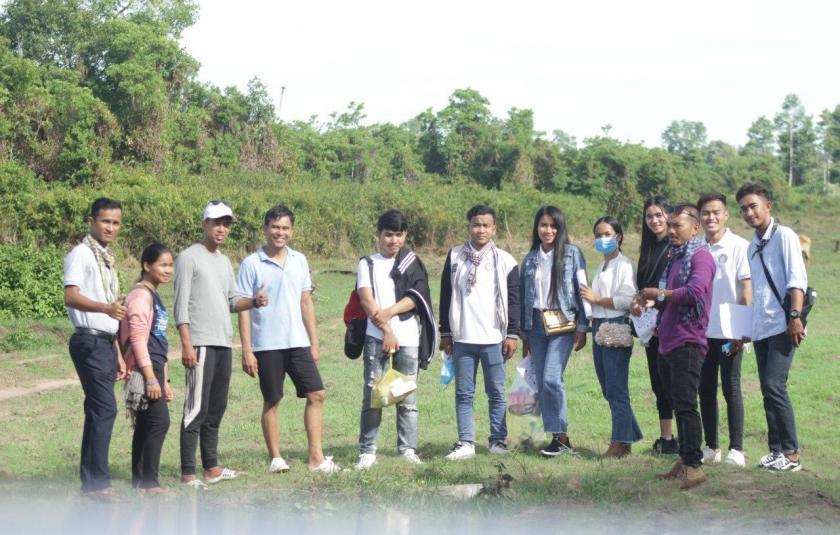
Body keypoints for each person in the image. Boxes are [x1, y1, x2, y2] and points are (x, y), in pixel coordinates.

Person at [238, 205, 341, 474]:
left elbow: (306, 302)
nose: (279, 233)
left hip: (297, 342)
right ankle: (276, 458)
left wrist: (314, 342)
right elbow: (243, 308)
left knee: (316, 393)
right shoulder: (251, 264)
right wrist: (246, 350)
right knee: (272, 399)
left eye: (285, 228)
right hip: (266, 344)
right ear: (265, 229)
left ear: (291, 231)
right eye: (275, 227)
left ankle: (315, 458)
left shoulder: (299, 260)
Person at [174, 201, 268, 488]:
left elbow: (232, 301)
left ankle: (211, 468)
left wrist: (253, 301)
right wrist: (187, 345)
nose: (222, 229)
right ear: (204, 224)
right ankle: (189, 472)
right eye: (217, 223)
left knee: (216, 408)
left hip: (223, 343)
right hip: (200, 342)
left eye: (226, 224)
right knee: (195, 409)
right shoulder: (189, 257)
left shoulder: (225, 261)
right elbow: (180, 306)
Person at [634, 203, 715, 490]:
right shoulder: (675, 257)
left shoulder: (702, 256)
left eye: (676, 225)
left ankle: (694, 466)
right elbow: (669, 296)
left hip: (688, 340)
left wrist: (662, 293)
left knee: (685, 404)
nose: (670, 231)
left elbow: (694, 292)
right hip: (667, 340)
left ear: (695, 228)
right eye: (669, 226)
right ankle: (684, 458)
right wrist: (651, 300)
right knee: (677, 403)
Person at [354, 210, 437, 469]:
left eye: (399, 235)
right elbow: (367, 300)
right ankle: (367, 451)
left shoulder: (411, 262)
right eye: (388, 235)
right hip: (375, 337)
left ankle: (408, 449)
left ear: (405, 235)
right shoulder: (367, 263)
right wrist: (387, 331)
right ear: (378, 234)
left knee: (407, 397)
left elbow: (416, 297)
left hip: (409, 338)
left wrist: (389, 313)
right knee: (374, 394)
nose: (393, 241)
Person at [736, 182, 808, 472]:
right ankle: (776, 450)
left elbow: (797, 279)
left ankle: (791, 454)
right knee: (768, 389)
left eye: (753, 206)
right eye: (743, 208)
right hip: (762, 325)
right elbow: (757, 289)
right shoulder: (753, 244)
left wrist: (795, 316)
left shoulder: (785, 236)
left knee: (775, 385)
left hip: (783, 323)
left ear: (768, 206)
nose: (749, 212)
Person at [440, 205, 520, 460]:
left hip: (494, 339)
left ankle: (497, 440)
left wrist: (512, 334)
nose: (481, 229)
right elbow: (445, 296)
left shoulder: (506, 260)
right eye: (476, 224)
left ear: (494, 229)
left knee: (496, 393)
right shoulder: (454, 257)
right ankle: (466, 442)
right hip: (463, 338)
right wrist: (446, 333)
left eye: (486, 225)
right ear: (469, 227)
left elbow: (515, 300)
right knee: (464, 393)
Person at [63, 197, 127, 497]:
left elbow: (112, 310)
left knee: (97, 409)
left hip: (103, 341)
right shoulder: (81, 254)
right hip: (88, 339)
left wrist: (117, 352)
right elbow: (71, 296)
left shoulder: (105, 259)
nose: (110, 227)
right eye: (105, 221)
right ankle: (97, 482)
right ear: (91, 221)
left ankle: (91, 480)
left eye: (115, 223)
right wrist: (104, 308)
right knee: (105, 409)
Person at [519, 206, 587, 456]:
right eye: (543, 225)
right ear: (536, 228)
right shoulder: (529, 259)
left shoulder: (572, 254)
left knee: (551, 379)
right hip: (536, 325)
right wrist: (524, 335)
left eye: (553, 225)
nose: (548, 230)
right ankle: (557, 438)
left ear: (560, 228)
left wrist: (582, 326)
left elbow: (582, 290)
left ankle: (562, 438)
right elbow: (525, 296)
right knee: (542, 383)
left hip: (564, 323)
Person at [580, 216, 643, 458]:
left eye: (606, 234)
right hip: (599, 328)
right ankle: (628, 435)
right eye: (598, 234)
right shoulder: (603, 266)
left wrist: (596, 299)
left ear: (618, 236)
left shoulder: (624, 264)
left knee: (616, 388)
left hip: (616, 326)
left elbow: (627, 300)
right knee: (608, 387)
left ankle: (619, 442)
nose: (601, 239)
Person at [697, 192, 751, 467]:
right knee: (705, 389)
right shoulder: (697, 248)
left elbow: (746, 290)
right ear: (700, 217)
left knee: (731, 387)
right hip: (702, 331)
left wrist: (741, 330)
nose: (711, 217)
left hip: (731, 331)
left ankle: (737, 449)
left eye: (716, 212)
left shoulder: (739, 246)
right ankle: (711, 446)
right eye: (706, 213)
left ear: (726, 215)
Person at [120, 243, 175, 494]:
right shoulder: (141, 296)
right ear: (146, 266)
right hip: (145, 369)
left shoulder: (153, 294)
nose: (168, 270)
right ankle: (149, 482)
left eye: (170, 265)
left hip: (154, 367)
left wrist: (164, 381)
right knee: (158, 422)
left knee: (145, 424)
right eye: (163, 265)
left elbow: (158, 339)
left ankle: (139, 482)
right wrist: (151, 378)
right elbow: (139, 339)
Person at [636, 196, 678, 454]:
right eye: (649, 216)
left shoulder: (676, 247)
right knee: (659, 382)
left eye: (659, 215)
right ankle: (667, 438)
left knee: (678, 382)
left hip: (673, 324)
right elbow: (642, 287)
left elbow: (678, 287)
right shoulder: (647, 249)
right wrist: (638, 301)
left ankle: (688, 436)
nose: (654, 220)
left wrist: (656, 301)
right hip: (650, 327)